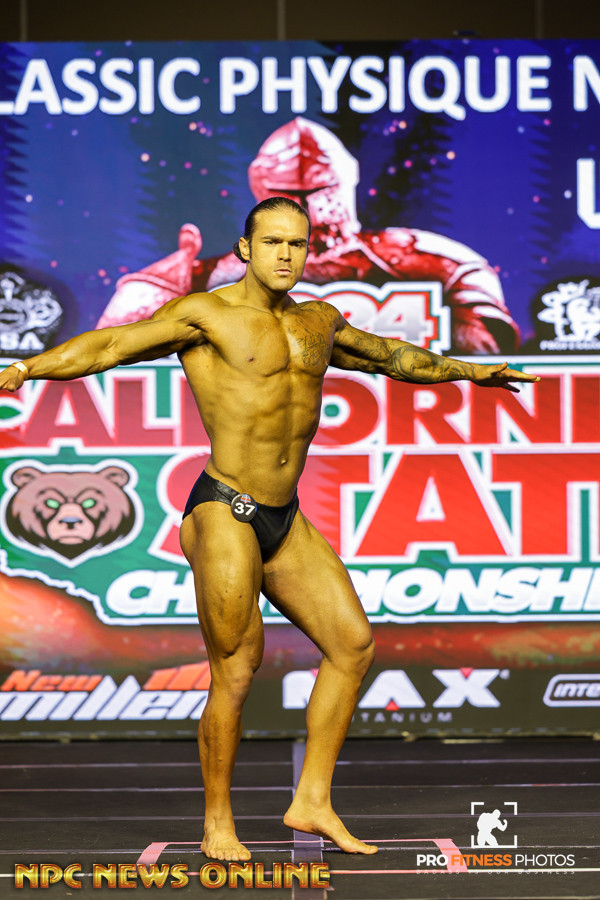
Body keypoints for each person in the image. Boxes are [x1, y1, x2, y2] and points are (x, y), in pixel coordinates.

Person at [0, 196, 539, 863]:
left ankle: (311, 800)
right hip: (223, 507)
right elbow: (110, 345)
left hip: (285, 517)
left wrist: (472, 372)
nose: (286, 254)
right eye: (273, 242)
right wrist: (25, 368)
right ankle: (218, 822)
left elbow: (391, 356)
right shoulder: (205, 315)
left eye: (297, 244)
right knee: (236, 669)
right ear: (246, 249)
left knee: (352, 645)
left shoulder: (318, 321)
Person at [98, 117, 519, 355]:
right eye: (288, 193)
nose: (307, 210)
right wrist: (166, 282)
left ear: (344, 181)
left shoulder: (437, 261)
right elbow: (116, 346)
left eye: (318, 191)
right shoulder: (207, 275)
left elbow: (491, 348)